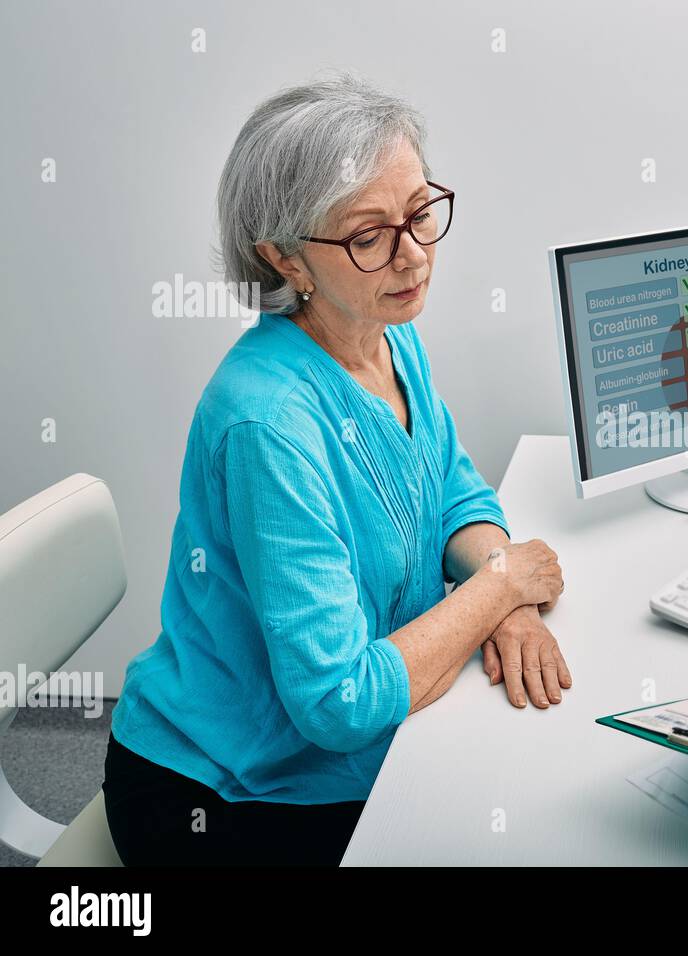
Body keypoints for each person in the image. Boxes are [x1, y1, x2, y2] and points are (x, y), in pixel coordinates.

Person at [104, 73, 570, 866]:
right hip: (226, 790)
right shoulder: (268, 423)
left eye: (421, 213)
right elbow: (339, 701)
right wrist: (500, 589)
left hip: (355, 741)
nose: (413, 254)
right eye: (369, 235)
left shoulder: (385, 330)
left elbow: (452, 492)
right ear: (284, 258)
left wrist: (505, 599)